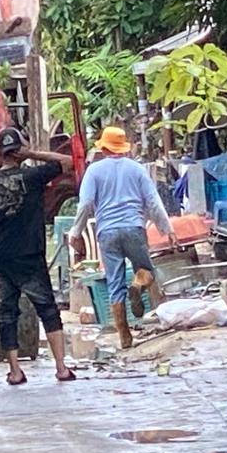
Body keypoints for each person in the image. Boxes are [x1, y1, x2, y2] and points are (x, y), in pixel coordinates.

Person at [0, 127, 75, 386]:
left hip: (3, 257)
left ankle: (15, 371)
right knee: (47, 309)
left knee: (7, 312)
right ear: (19, 151)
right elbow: (67, 162)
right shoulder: (33, 176)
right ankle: (61, 368)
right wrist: (31, 153)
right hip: (30, 254)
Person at [72, 127, 177, 349]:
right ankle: (138, 284)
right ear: (124, 147)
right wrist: (167, 229)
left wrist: (75, 232)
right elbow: (153, 201)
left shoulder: (94, 171)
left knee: (114, 284)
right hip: (134, 228)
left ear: (104, 147)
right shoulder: (137, 169)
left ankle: (125, 337)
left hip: (107, 233)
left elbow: (86, 204)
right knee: (147, 272)